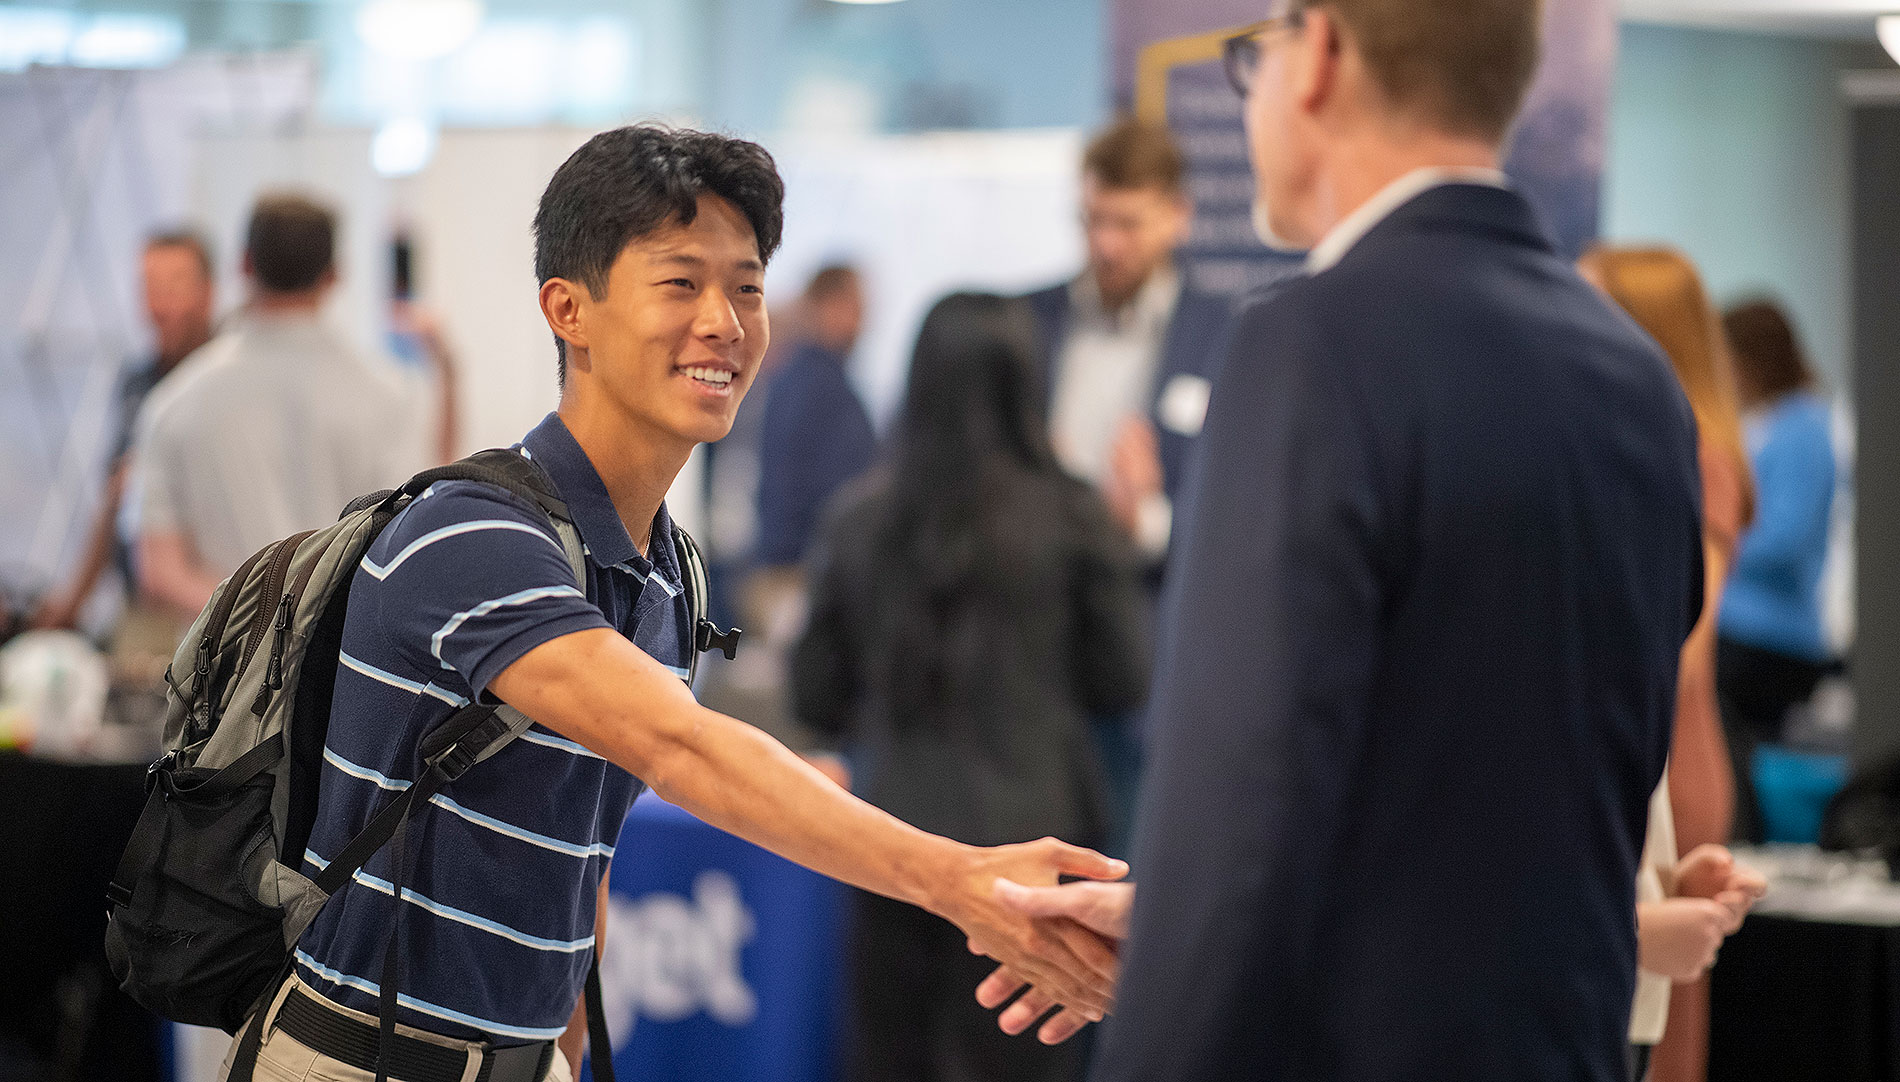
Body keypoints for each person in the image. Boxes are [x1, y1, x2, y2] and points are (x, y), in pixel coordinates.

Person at [223, 125, 1123, 1082]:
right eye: (681, 282)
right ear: (568, 309)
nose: (726, 323)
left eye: (747, 286)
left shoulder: (664, 574)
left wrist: (562, 1046)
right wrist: (962, 882)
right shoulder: (471, 536)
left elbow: (584, 840)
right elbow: (679, 748)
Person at [974, 2, 1709, 1079]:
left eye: (1253, 62)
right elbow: (1553, 776)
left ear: (1317, 54)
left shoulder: (1305, 344)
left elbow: (1246, 789)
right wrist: (1173, 905)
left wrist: (1180, 961)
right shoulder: (1636, 375)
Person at [793, 293, 1150, 1082]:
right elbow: (1125, 681)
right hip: (1036, 854)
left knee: (889, 1063)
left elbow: (815, 693)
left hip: (890, 846)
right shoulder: (1074, 518)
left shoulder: (859, 522)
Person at [1579, 244, 1757, 1082]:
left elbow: (1680, 644)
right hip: (1637, 737)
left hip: (1669, 751)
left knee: (1663, 1012)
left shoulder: (1700, 460)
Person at [126, 194, 456, 618]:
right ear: (335, 274)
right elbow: (411, 547)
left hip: (219, 672)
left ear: (243, 265)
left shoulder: (172, 403)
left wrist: (256, 620)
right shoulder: (387, 395)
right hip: (341, 666)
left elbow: (159, 572)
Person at [1024, 118, 1234, 562]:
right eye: (1093, 220)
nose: (1107, 245)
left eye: (1127, 224)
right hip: (1032, 609)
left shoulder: (1225, 338)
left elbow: (1239, 523)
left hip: (1149, 613)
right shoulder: (1027, 322)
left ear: (1178, 216)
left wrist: (1145, 522)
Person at [30, 232, 216, 631]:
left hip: (221, 605)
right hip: (150, 611)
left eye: (174, 286)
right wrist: (72, 603)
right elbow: (116, 500)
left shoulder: (228, 384)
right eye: (149, 287)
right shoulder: (138, 384)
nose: (159, 304)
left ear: (208, 292)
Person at [1717, 298, 1839, 842]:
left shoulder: (1804, 426)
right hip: (1744, 629)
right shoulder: (1766, 424)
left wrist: (1714, 540)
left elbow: (1786, 537)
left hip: (1771, 636)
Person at [754, 263, 878, 570]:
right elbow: (796, 481)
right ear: (827, 306)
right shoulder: (811, 382)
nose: (863, 324)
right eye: (856, 309)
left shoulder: (820, 378)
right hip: (802, 564)